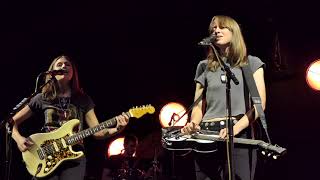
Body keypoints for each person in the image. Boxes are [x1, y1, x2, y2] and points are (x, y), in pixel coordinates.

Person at [11, 55, 130, 180]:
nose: (63, 66)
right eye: (59, 64)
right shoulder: (42, 97)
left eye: (67, 64)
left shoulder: (83, 99)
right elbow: (11, 122)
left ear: (73, 72)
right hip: (46, 154)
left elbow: (97, 132)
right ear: (52, 72)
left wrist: (118, 129)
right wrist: (19, 139)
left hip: (74, 157)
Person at [181, 15, 266, 180]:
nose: (216, 30)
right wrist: (193, 123)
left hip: (239, 133)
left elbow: (259, 105)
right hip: (206, 136)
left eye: (221, 27)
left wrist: (235, 130)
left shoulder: (252, 63)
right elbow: (198, 106)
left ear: (234, 31)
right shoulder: (203, 66)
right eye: (213, 29)